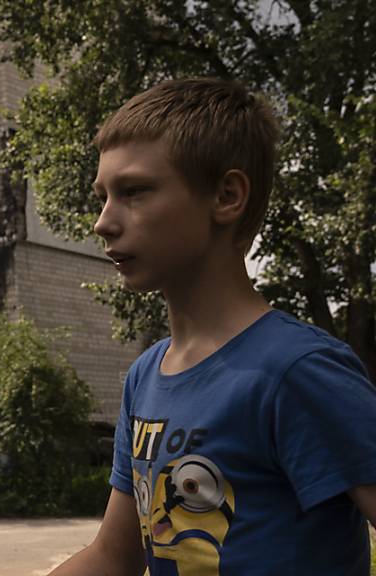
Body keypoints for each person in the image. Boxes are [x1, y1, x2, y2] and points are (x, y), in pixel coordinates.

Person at [49, 77, 376, 575]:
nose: (103, 222)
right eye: (102, 197)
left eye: (134, 192)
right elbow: (113, 557)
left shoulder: (297, 370)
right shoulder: (145, 375)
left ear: (226, 196)